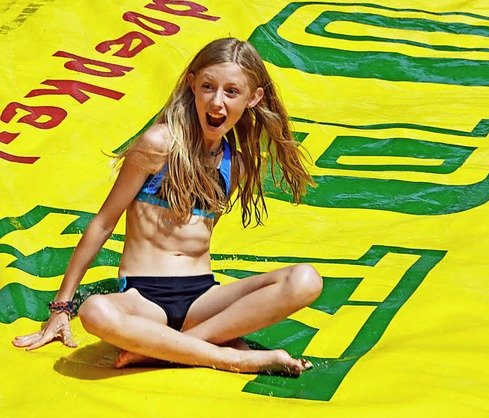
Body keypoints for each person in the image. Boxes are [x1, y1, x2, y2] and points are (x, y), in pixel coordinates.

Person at [12, 37, 322, 376]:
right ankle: (233, 358)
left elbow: (199, 238)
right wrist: (61, 307)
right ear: (192, 84)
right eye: (208, 86)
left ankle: (170, 350)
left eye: (231, 92)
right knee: (94, 311)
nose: (217, 102)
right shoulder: (158, 145)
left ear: (253, 99)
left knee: (306, 279)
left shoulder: (236, 164)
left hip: (203, 298)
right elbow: (103, 222)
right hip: (144, 301)